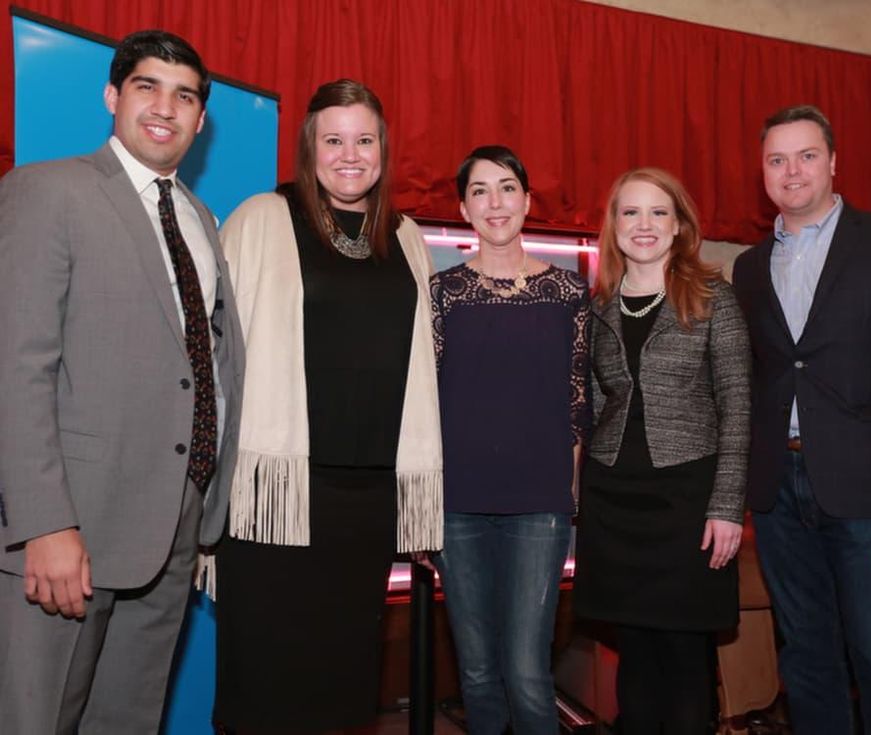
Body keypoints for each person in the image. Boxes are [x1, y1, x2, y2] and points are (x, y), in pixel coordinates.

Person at [0, 30, 244, 733]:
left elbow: (203, 364)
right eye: (147, 86)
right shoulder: (47, 191)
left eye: (185, 95)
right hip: (71, 533)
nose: (165, 107)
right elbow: (18, 367)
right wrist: (46, 522)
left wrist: (205, 509)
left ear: (202, 119)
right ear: (113, 96)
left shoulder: (200, 218)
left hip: (173, 531)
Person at [213, 78, 442, 734]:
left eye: (364, 139)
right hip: (275, 497)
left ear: (383, 149)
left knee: (344, 688)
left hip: (366, 503)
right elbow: (212, 356)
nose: (350, 154)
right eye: (333, 139)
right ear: (309, 148)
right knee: (261, 682)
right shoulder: (261, 217)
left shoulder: (406, 237)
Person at [732, 104, 871, 735]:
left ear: (833, 162)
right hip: (780, 493)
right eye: (777, 160)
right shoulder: (749, 268)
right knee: (806, 659)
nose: (792, 171)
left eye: (806, 156)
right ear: (763, 173)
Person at [573, 167, 751, 734]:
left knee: (682, 656)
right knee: (634, 656)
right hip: (614, 501)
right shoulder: (598, 307)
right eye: (630, 212)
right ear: (614, 226)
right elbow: (600, 401)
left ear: (678, 226)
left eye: (657, 213)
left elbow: (738, 406)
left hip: (688, 501)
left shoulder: (714, 299)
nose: (643, 224)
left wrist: (726, 508)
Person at [429, 145, 590, 734]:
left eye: (506, 188)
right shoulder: (439, 294)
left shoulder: (571, 295)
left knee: (526, 669)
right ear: (462, 208)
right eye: (479, 191)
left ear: (527, 199)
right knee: (475, 670)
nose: (494, 203)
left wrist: (570, 493)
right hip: (457, 505)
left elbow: (579, 402)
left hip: (540, 505)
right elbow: (422, 405)